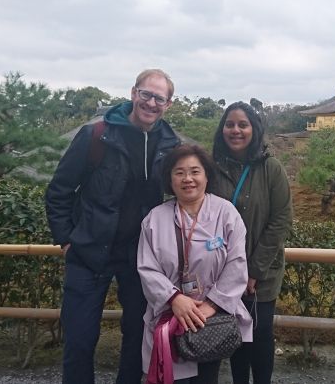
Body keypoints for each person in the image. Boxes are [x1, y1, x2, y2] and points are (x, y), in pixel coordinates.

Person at [45, 69, 180, 384]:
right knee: (79, 338)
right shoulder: (97, 135)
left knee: (138, 336)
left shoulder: (170, 145)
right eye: (146, 94)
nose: (151, 102)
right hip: (90, 251)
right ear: (133, 93)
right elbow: (59, 192)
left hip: (141, 256)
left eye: (159, 98)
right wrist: (66, 238)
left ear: (168, 104)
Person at [137, 144, 253, 384]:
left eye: (195, 171)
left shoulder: (226, 213)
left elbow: (237, 263)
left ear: (207, 176)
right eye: (179, 172)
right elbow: (147, 268)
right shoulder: (154, 219)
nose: (187, 179)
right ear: (170, 179)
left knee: (207, 377)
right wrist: (175, 299)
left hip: (210, 318)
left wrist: (211, 305)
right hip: (170, 315)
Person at [210, 102, 293, 384]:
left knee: (260, 335)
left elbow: (280, 221)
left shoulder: (272, 169)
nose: (236, 130)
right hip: (222, 272)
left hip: (263, 274)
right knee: (234, 334)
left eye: (242, 125)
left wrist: (254, 271)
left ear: (254, 130)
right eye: (230, 124)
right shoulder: (211, 168)